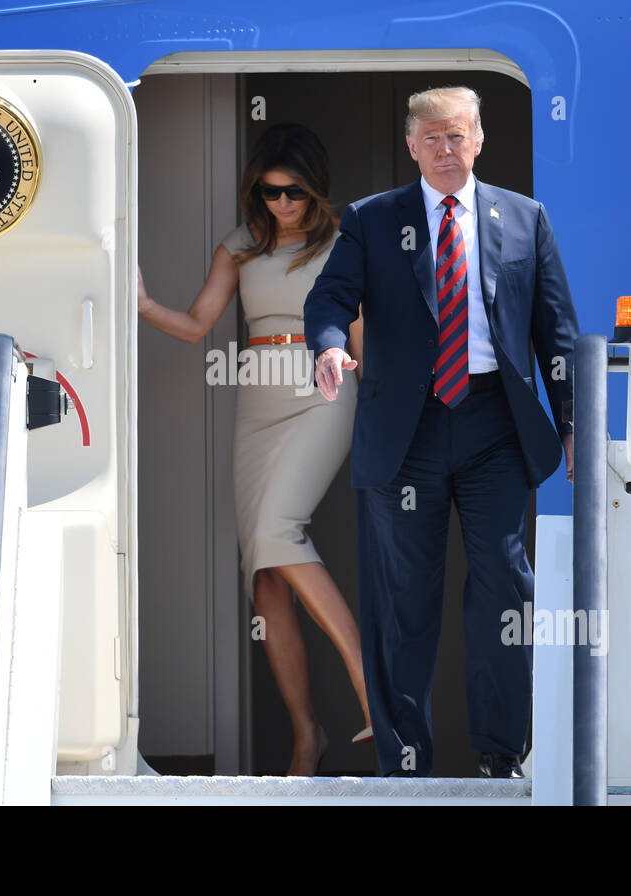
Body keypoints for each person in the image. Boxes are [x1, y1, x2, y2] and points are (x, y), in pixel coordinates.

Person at [303, 87, 579, 779]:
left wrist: (572, 422)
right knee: (404, 600)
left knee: (504, 589)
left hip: (495, 427)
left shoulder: (525, 218)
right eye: (434, 139)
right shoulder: (374, 220)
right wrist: (330, 345)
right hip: (409, 431)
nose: (447, 150)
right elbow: (330, 298)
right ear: (412, 145)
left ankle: (499, 756)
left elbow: (558, 332)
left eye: (458, 137)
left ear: (479, 140)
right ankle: (405, 763)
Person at [137, 123, 372, 776]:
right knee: (265, 580)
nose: (281, 203)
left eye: (293, 191)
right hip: (257, 402)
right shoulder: (240, 246)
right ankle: (307, 738)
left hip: (322, 390)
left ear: (314, 188)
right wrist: (142, 303)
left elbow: (360, 339)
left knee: (279, 530)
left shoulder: (346, 239)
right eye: (268, 193)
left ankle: (369, 687)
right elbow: (195, 325)